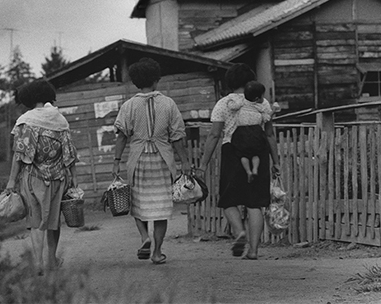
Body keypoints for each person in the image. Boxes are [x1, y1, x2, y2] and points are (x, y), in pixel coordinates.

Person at [196, 63, 279, 260]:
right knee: (255, 203)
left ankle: (239, 231)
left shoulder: (224, 103)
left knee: (229, 199)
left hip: (232, 152)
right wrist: (276, 161)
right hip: (258, 153)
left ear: (230, 82)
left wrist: (203, 165)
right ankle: (253, 251)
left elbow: (214, 135)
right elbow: (269, 134)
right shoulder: (262, 102)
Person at [112, 57, 190, 265]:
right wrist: (185, 162)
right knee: (161, 209)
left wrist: (117, 161)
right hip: (162, 160)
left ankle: (145, 238)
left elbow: (121, 136)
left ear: (136, 82)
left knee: (138, 205)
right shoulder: (168, 104)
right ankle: (157, 253)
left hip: (138, 161)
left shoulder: (128, 106)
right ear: (156, 80)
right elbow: (177, 137)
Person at [5, 79, 78, 275]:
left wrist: (11, 181)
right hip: (57, 178)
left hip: (32, 178)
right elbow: (69, 153)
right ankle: (52, 260)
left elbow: (19, 155)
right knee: (53, 219)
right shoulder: (60, 120)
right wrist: (74, 177)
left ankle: (37, 263)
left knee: (36, 220)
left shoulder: (25, 121)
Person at [227, 81, 273, 183]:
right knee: (256, 154)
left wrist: (230, 100)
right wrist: (272, 111)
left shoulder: (241, 103)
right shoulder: (259, 107)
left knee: (243, 155)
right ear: (257, 99)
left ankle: (248, 171)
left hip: (241, 133)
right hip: (256, 132)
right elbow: (266, 118)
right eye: (262, 96)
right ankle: (255, 169)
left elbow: (231, 106)